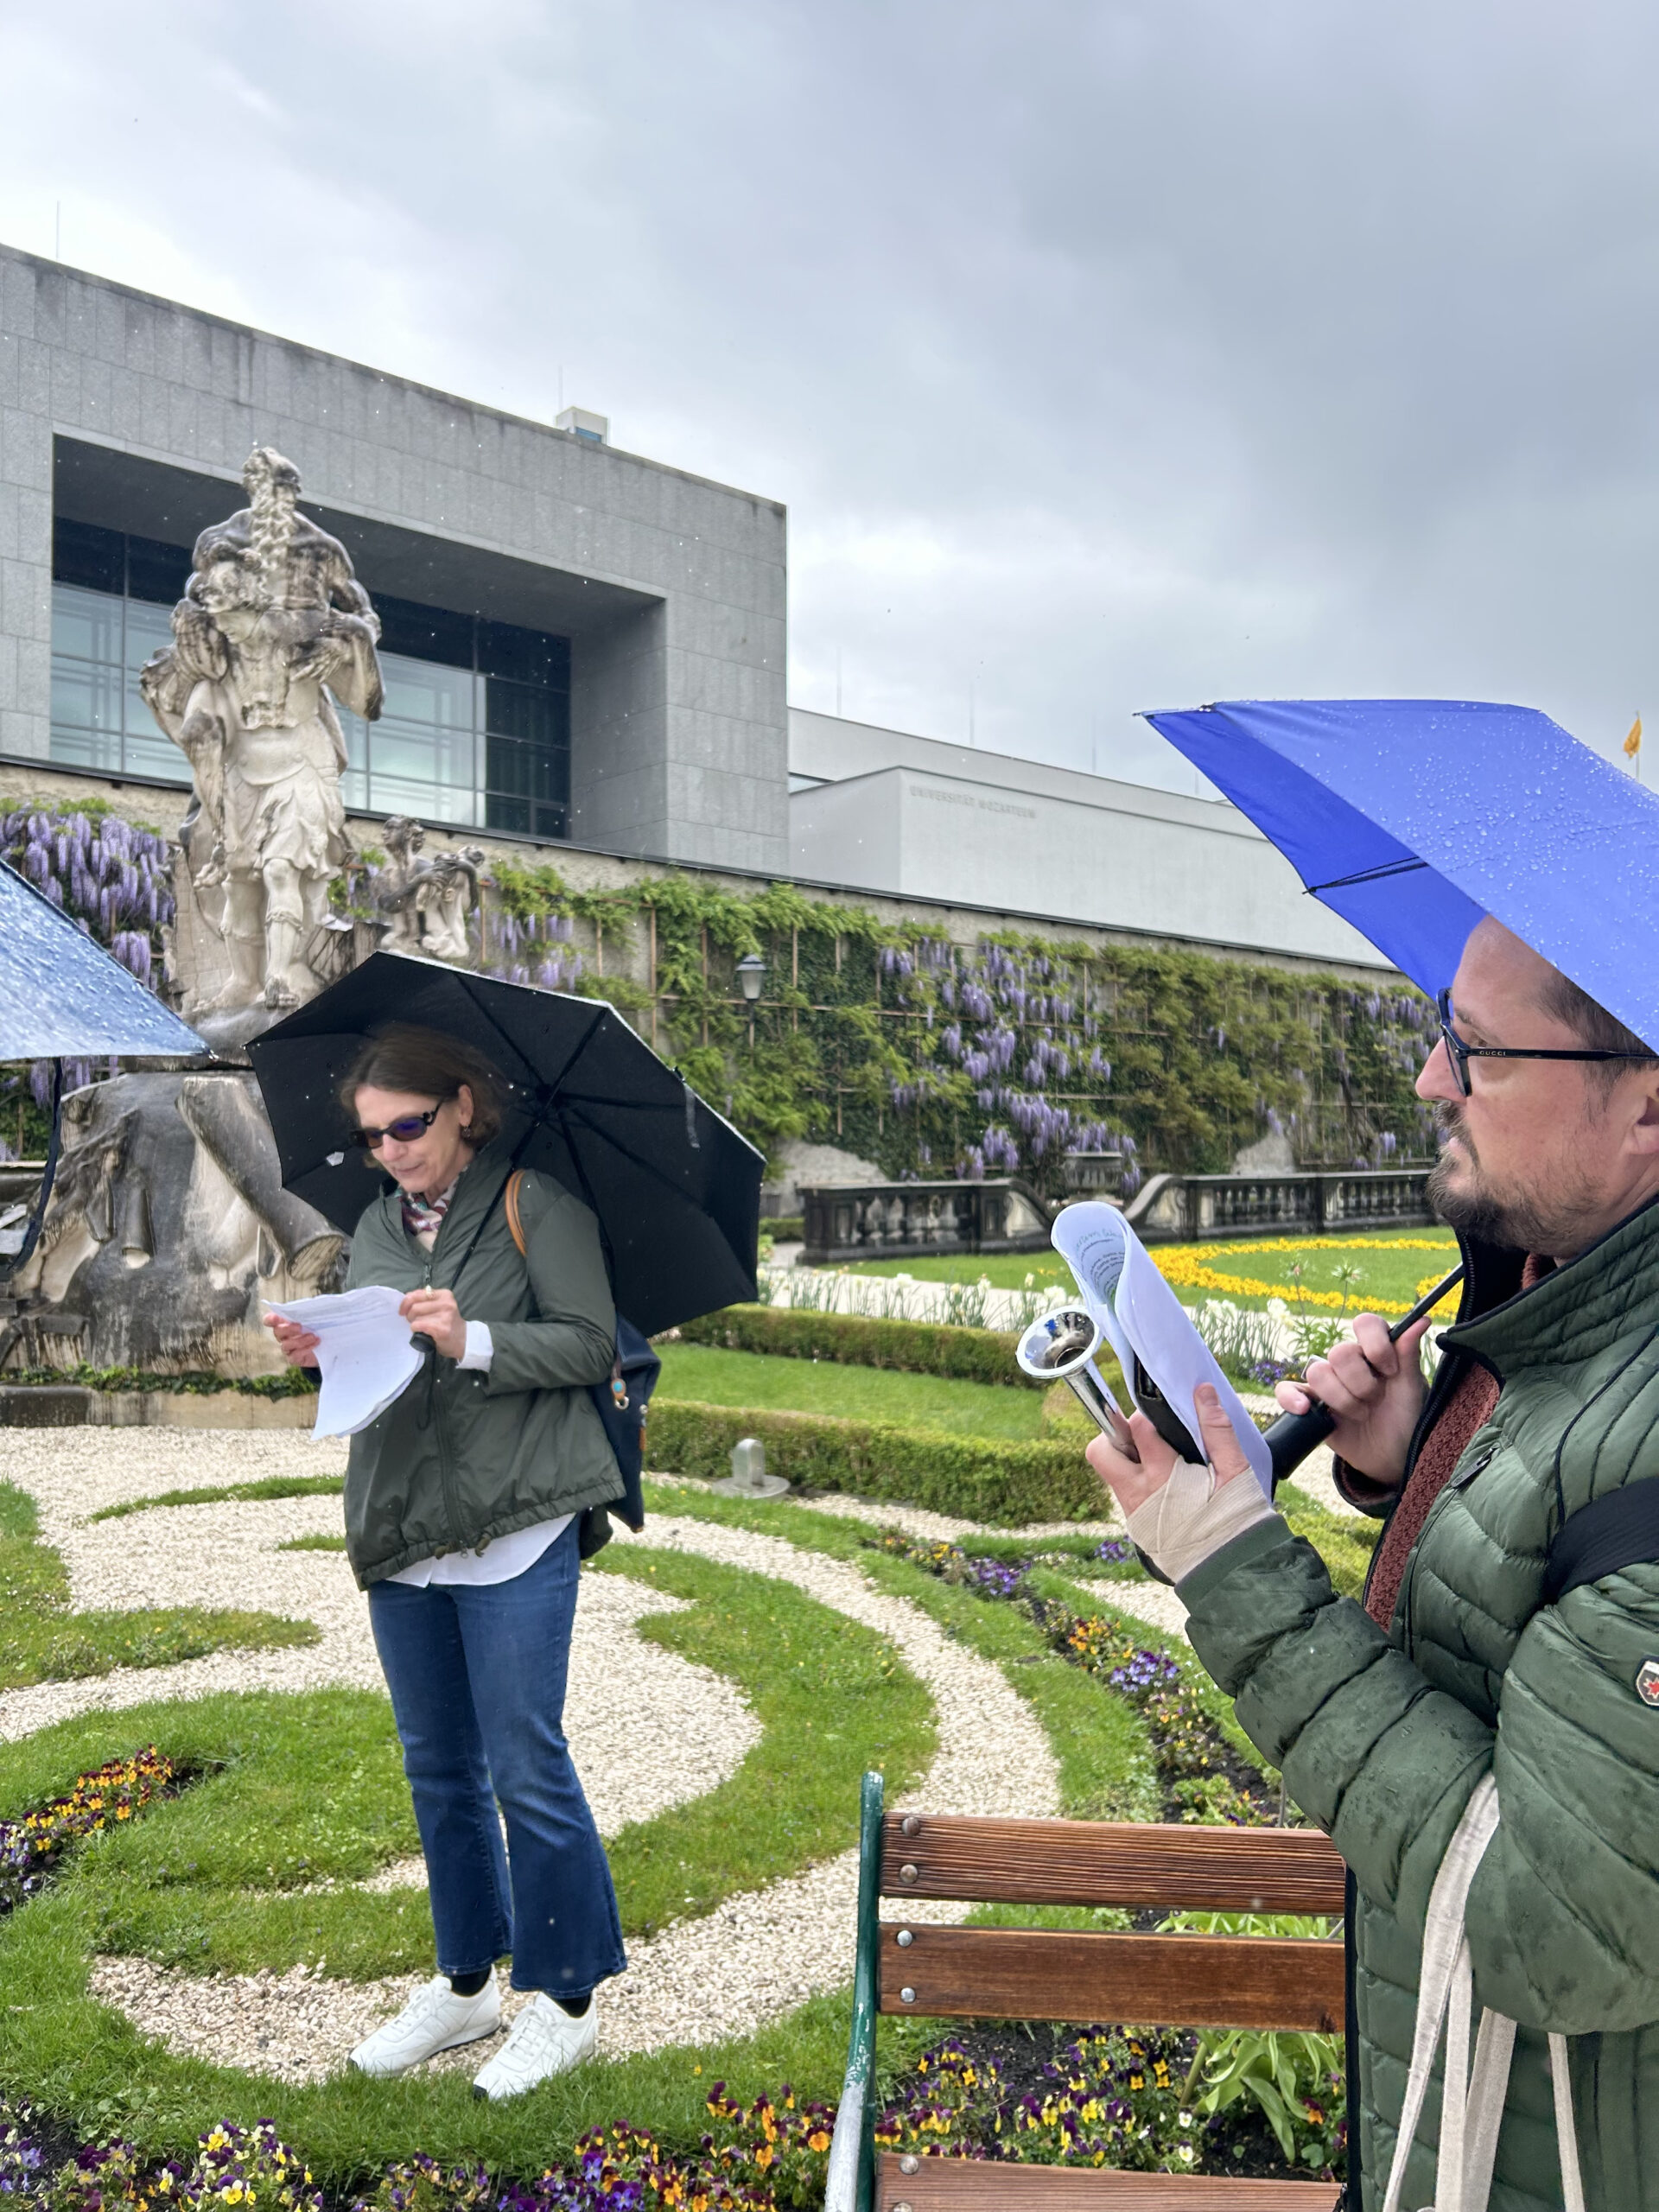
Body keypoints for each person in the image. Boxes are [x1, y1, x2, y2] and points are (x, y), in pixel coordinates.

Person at [1090, 917, 1659, 2210]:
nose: (1430, 1078)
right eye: (1441, 1029)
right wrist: (1422, 1457)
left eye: (1481, 1049)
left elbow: (1555, 1931)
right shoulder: (1573, 1297)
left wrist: (1235, 1567)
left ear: (1647, 1111)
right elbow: (1549, 1602)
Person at [267, 1024, 627, 2099]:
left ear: (464, 1105)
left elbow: (589, 1341)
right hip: (404, 1523)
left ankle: (566, 2001)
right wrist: (319, 1355)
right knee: (438, 1768)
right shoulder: (375, 1228)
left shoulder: (536, 1205)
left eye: (409, 1126)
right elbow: (379, 1366)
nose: (391, 1151)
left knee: (526, 1763)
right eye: (373, 1136)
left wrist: (474, 1338)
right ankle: (467, 1981)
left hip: (518, 1518)